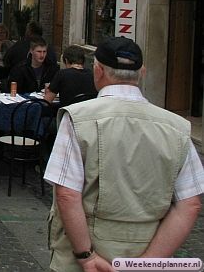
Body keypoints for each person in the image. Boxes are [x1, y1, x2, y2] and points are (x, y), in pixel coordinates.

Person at [44, 37, 204, 270]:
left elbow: (67, 194)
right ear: (142, 73)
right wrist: (149, 262)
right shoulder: (177, 127)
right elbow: (190, 204)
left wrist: (86, 256)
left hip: (83, 256)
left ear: (97, 71)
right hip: (147, 247)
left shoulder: (78, 119)